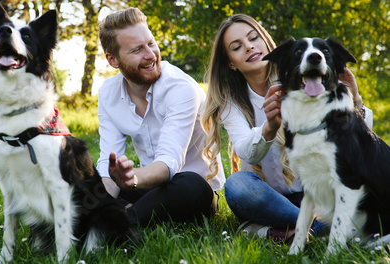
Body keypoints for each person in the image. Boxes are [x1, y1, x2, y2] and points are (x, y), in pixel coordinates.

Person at [201, 14, 373, 242]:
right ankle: (325, 229)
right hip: (270, 198)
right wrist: (270, 127)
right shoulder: (231, 101)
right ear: (230, 62)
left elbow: (359, 146)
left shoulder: (307, 79)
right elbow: (244, 149)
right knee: (237, 185)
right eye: (237, 47)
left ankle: (275, 231)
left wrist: (356, 101)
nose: (249, 46)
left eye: (254, 37)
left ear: (266, 42)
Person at [96, 7, 226, 227]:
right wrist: (103, 198)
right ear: (113, 60)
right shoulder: (109, 92)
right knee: (87, 188)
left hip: (192, 191)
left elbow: (167, 164)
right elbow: (108, 163)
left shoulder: (180, 88)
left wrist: (132, 178)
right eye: (137, 49)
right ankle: (101, 219)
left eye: (151, 43)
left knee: (192, 185)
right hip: (148, 188)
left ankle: (118, 224)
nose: (150, 55)